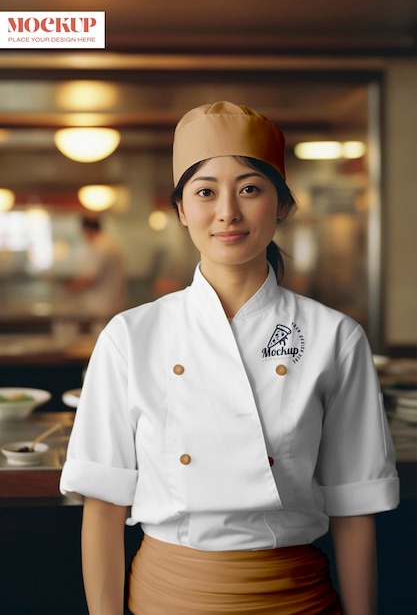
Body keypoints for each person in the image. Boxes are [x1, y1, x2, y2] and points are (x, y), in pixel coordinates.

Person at [60, 101, 399, 615]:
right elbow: (104, 506)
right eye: (204, 192)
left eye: (249, 188)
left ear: (282, 204)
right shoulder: (131, 336)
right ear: (180, 210)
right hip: (167, 595)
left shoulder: (335, 337)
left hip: (295, 596)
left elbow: (354, 509)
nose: (227, 212)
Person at [66, 216, 126, 320]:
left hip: (101, 309)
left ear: (86, 229)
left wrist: (69, 288)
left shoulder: (99, 247)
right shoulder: (111, 243)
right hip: (113, 305)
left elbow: (89, 279)